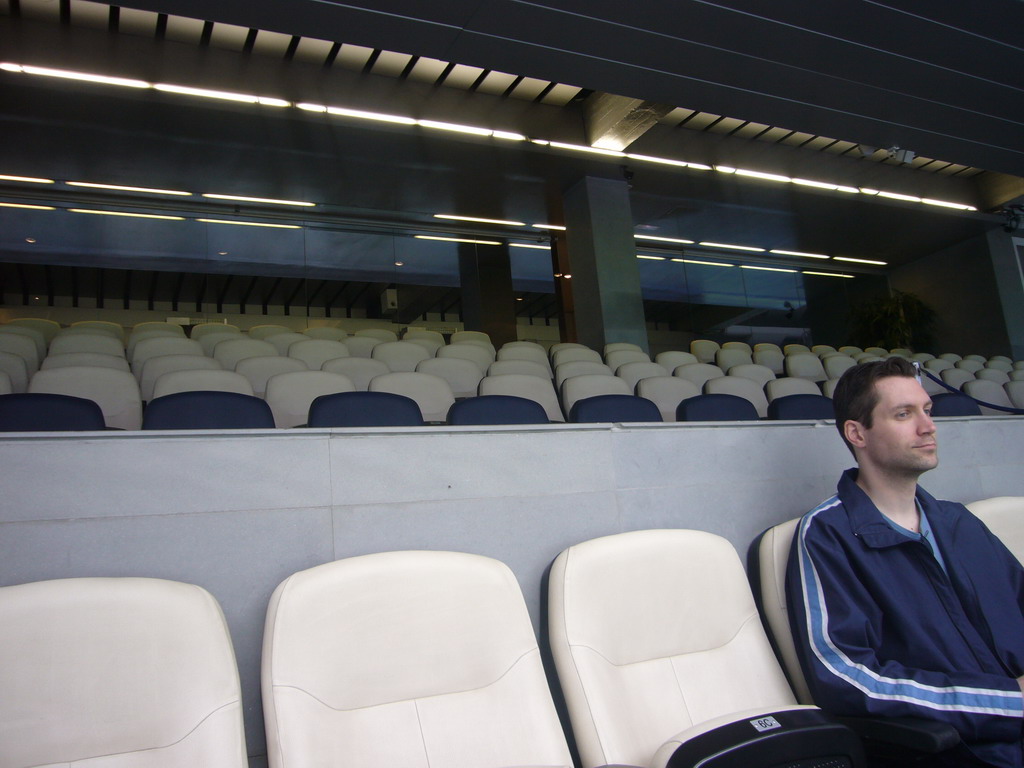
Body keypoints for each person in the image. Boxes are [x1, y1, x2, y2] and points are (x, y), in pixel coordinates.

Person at [786, 357, 1024, 767]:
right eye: (903, 414)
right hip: (970, 752)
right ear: (857, 432)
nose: (928, 426)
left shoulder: (959, 522)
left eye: (927, 411)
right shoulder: (828, 535)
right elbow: (846, 678)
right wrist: (1007, 702)